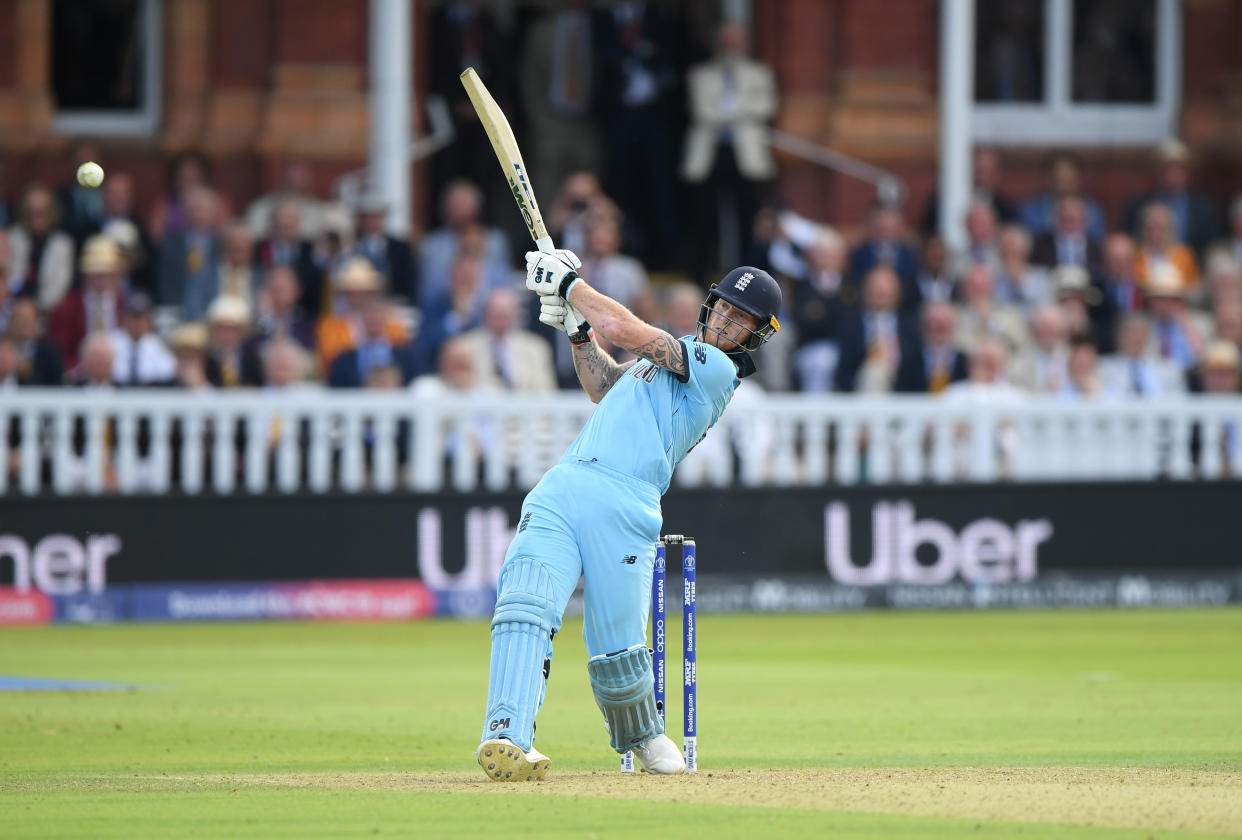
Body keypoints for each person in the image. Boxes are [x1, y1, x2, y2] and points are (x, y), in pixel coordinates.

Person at [475, 251, 782, 781]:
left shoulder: (717, 371)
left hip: (625, 501)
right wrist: (576, 334)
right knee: (524, 603)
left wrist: (572, 286)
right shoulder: (668, 356)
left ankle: (643, 736)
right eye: (724, 309)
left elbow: (620, 324)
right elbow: (604, 386)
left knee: (616, 649)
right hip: (564, 482)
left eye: (741, 320)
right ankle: (506, 735)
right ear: (711, 305)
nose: (726, 322)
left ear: (754, 336)